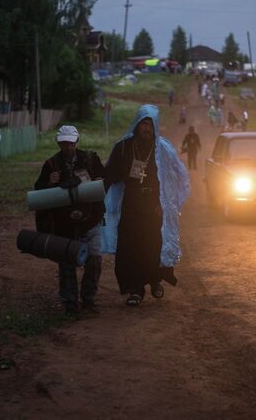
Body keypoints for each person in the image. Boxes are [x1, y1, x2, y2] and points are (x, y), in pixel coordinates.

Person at [101, 105, 190, 306]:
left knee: (153, 245)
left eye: (150, 124)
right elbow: (110, 174)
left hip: (154, 205)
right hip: (131, 203)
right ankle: (135, 289)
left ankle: (155, 280)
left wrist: (166, 204)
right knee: (130, 246)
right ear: (137, 124)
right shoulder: (123, 147)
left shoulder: (163, 149)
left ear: (155, 126)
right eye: (143, 123)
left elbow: (177, 177)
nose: (146, 128)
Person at [34, 125, 106, 315]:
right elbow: (39, 193)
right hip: (63, 224)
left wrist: (98, 181)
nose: (68, 147)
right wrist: (49, 182)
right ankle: (70, 305)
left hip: (90, 220)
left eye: (71, 143)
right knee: (66, 264)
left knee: (95, 260)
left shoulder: (90, 159)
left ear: (76, 142)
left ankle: (88, 300)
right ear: (59, 143)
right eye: (64, 144)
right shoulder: (50, 165)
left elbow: (104, 181)